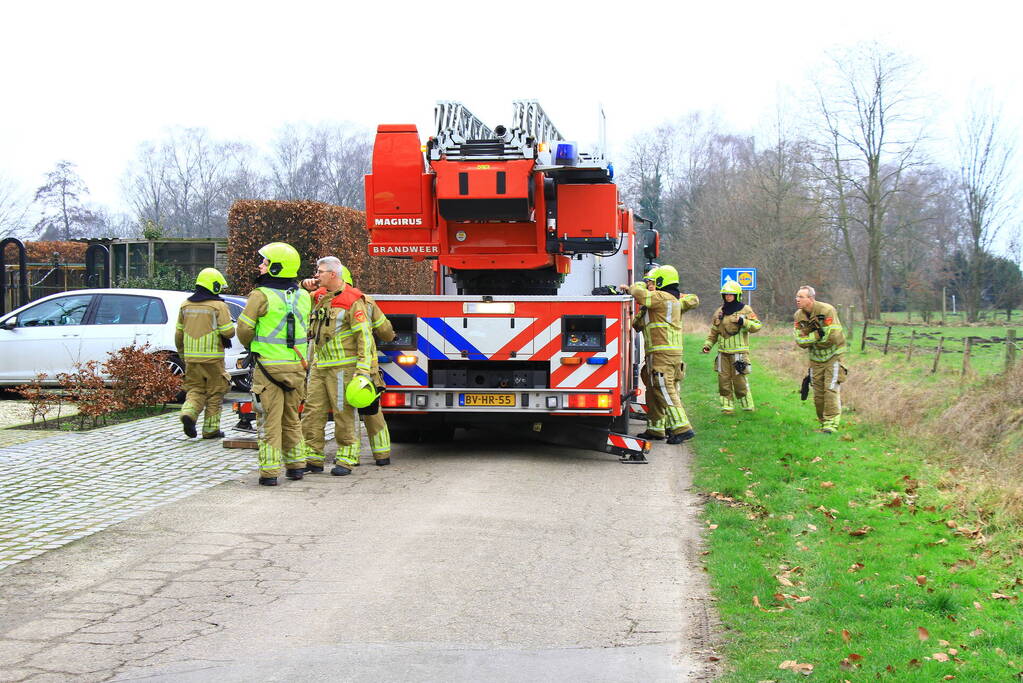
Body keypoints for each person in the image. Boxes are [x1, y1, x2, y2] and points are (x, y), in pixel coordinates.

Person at [237, 242, 311, 486]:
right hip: (297, 369)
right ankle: (297, 467)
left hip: (268, 368)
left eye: (265, 262)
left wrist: (252, 345)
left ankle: (269, 473)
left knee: (269, 421)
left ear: (277, 267)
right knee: (292, 419)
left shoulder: (260, 295)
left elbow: (244, 329)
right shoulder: (303, 296)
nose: (261, 266)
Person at [298, 257, 374, 476]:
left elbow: (364, 337)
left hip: (343, 368)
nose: (316, 275)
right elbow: (293, 303)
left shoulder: (353, 299)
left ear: (333, 274)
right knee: (312, 412)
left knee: (343, 414)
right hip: (319, 366)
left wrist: (363, 370)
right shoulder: (318, 296)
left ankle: (346, 458)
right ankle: (312, 457)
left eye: (320, 271)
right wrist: (302, 286)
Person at [622, 265, 699, 444]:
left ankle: (682, 428)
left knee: (664, 388)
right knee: (653, 390)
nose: (649, 285)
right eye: (648, 283)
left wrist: (635, 286)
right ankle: (656, 429)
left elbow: (640, 294)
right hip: (657, 354)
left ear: (662, 282)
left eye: (651, 282)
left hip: (663, 353)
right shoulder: (657, 303)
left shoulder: (662, 297)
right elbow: (637, 325)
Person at [342, 265, 394, 466]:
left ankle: (350, 456)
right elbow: (385, 331)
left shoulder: (326, 302)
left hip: (340, 366)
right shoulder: (367, 302)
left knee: (347, 414)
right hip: (367, 366)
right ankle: (382, 455)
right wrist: (392, 337)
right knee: (372, 411)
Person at [176, 268, 235, 439]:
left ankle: (188, 413)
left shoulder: (185, 305)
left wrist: (183, 355)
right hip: (213, 359)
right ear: (214, 286)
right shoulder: (218, 306)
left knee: (195, 389)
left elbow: (178, 334)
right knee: (215, 392)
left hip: (191, 359)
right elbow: (228, 332)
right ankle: (210, 429)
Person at [701, 280, 763, 414]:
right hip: (722, 353)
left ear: (737, 295)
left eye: (731, 294)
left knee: (740, 382)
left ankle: (747, 407)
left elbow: (757, 326)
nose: (728, 297)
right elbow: (714, 332)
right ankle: (727, 408)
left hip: (739, 353)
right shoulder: (719, 312)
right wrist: (708, 345)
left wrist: (743, 321)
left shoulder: (746, 310)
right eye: (726, 294)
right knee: (723, 381)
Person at [793, 285, 847, 434]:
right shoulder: (798, 316)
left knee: (830, 389)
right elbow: (800, 341)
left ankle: (831, 424)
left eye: (801, 297)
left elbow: (832, 336)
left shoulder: (827, 310)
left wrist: (810, 338)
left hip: (833, 357)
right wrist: (817, 335)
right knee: (818, 394)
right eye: (797, 296)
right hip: (815, 359)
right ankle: (823, 423)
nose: (797, 299)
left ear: (810, 298)